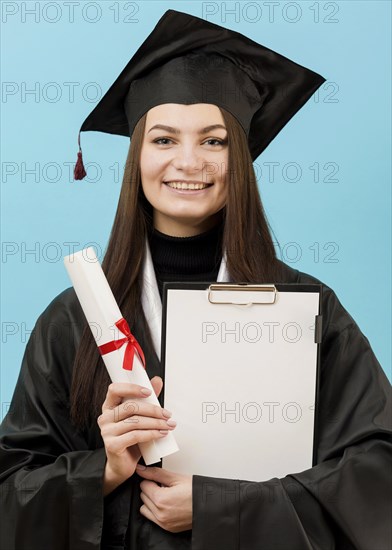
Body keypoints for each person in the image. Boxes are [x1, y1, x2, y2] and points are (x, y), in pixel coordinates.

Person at [1, 9, 390, 550]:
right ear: (137, 157)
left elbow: (377, 476)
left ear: (241, 157)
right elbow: (9, 494)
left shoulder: (305, 309)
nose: (189, 162)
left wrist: (222, 509)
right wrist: (104, 470)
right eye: (163, 140)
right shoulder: (76, 318)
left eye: (214, 141)